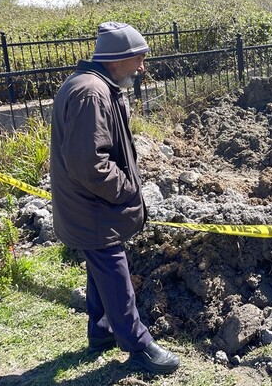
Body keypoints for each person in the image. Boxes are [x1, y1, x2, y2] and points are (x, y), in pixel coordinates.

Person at [50, 21, 180, 375]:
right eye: (138, 59)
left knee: (100, 269)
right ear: (119, 58)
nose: (141, 67)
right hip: (92, 206)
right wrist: (126, 189)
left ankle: (101, 332)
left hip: (88, 204)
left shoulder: (95, 85)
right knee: (113, 269)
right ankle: (139, 346)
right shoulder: (91, 94)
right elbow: (90, 164)